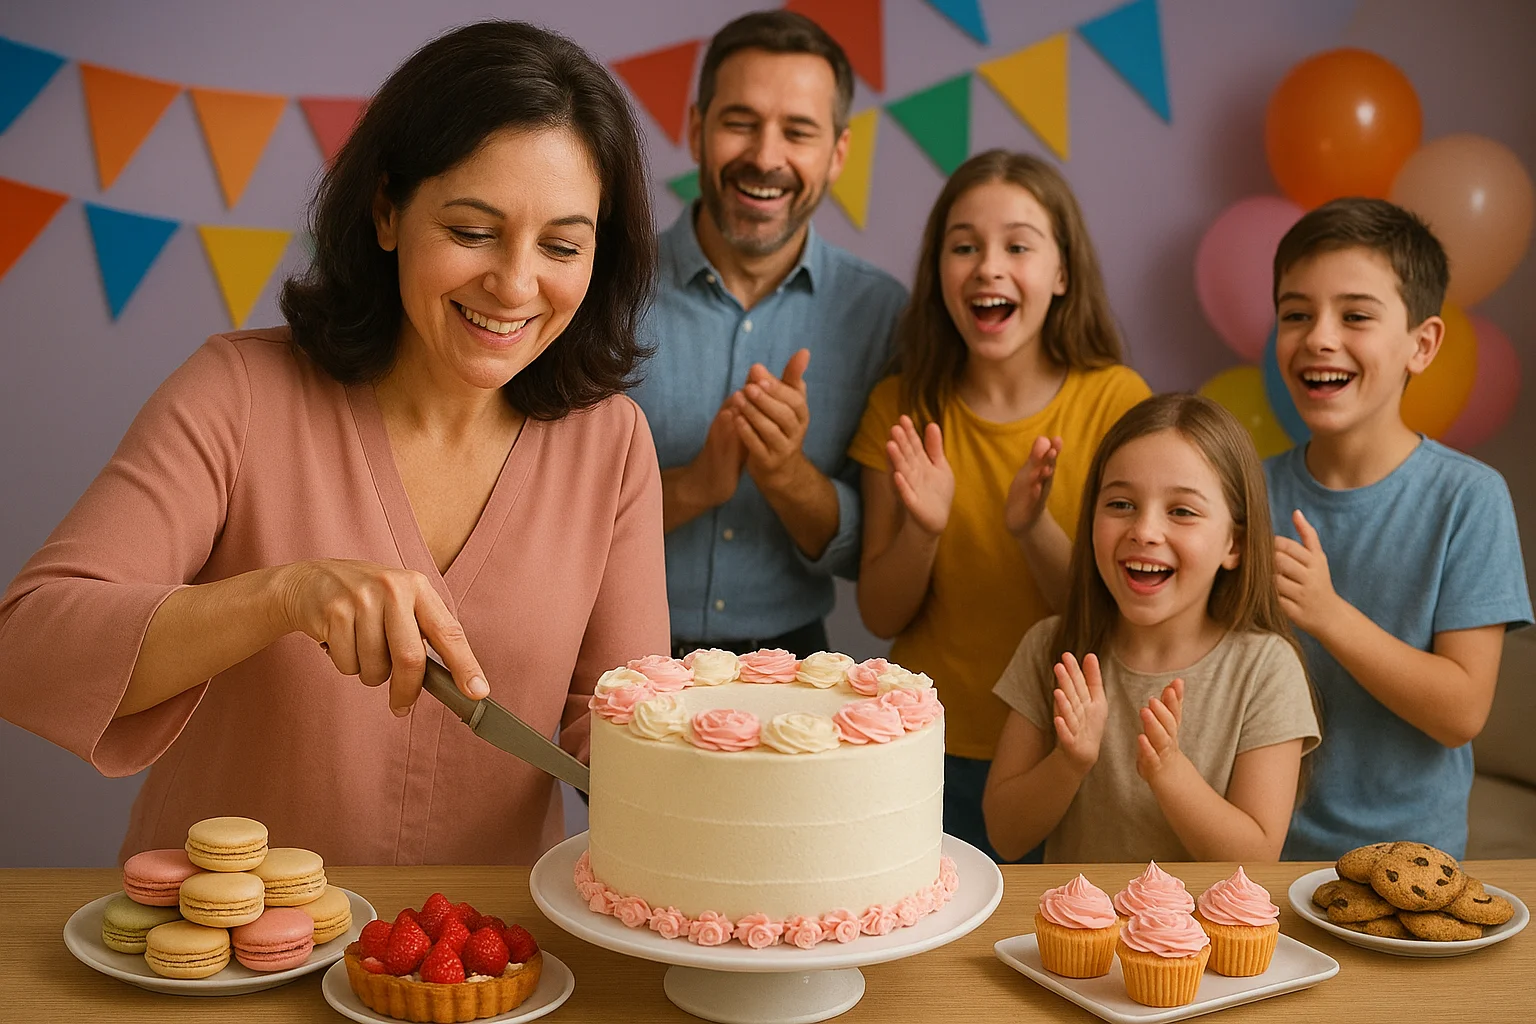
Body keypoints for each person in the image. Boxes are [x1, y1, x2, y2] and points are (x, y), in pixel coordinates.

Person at [0, 21, 668, 866]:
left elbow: (618, 719)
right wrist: (283, 597)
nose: (514, 283)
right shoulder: (239, 392)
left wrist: (709, 773)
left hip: (485, 943)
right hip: (229, 935)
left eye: (562, 246)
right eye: (472, 231)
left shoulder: (611, 443)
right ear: (387, 210)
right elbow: (28, 645)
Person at [848, 150, 1149, 861]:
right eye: (964, 247)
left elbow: (1109, 613)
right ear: (938, 272)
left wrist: (1030, 528)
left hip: (1066, 751)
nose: (988, 267)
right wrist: (923, 531)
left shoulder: (1117, 402)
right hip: (926, 743)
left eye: (1018, 246)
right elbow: (880, 614)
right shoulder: (899, 405)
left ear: (1062, 273)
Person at [630, 10, 907, 660]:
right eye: (740, 122)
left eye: (798, 131)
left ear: (838, 153)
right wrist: (696, 485)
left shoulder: (882, 313)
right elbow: (554, 514)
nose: (765, 157)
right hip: (619, 653)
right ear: (697, 129)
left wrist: (787, 474)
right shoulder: (602, 289)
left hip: (795, 668)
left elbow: (875, 551)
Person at [1263, 198, 1532, 860]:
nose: (1319, 337)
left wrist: (1327, 614)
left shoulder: (1469, 498)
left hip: (1409, 863)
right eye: (1296, 314)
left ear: (1423, 344)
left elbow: (1461, 712)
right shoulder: (1245, 490)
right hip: (1260, 858)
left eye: (1355, 315)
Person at [983, 394, 1320, 862]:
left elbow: (1257, 859)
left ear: (1235, 544)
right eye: (1121, 504)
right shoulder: (1050, 647)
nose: (1144, 530)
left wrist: (1169, 772)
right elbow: (1005, 835)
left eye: (1182, 511)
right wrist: (1069, 762)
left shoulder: (1266, 668)